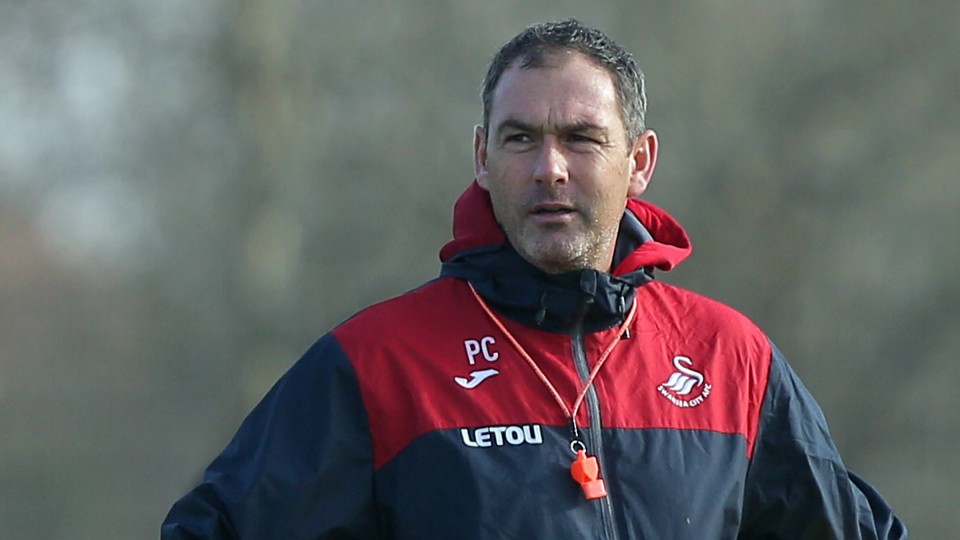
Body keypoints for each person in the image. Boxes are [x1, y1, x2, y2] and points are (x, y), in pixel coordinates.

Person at [162, 19, 907, 539]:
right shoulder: (378, 363)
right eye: (521, 138)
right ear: (482, 158)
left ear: (639, 161)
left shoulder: (731, 360)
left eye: (582, 139)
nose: (550, 168)